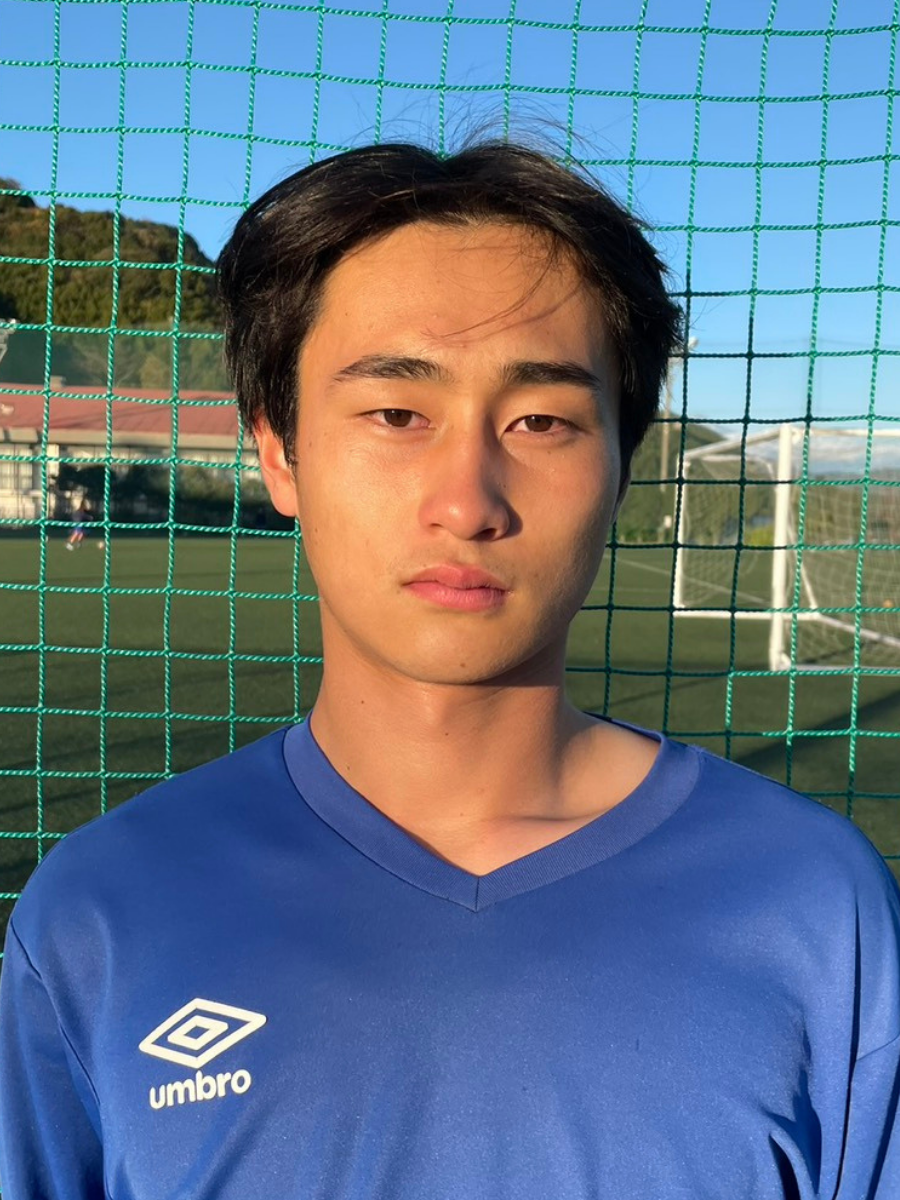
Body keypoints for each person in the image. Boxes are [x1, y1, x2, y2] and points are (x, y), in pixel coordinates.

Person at [1, 141, 898, 1200]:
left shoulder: (815, 907)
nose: (468, 501)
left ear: (620, 462)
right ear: (280, 451)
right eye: (396, 414)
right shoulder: (103, 916)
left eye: (542, 421)